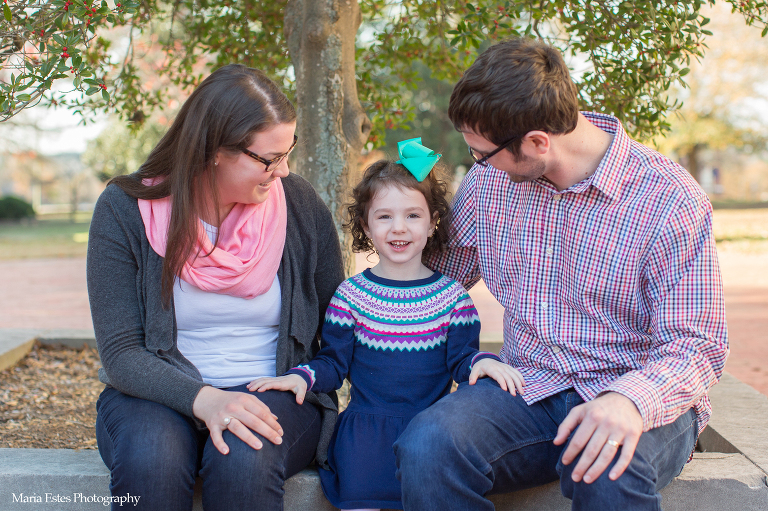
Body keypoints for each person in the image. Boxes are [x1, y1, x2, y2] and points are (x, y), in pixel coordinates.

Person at [393, 38, 728, 510]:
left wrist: (628, 402)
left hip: (635, 392)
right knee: (428, 445)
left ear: (536, 143)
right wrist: (398, 220)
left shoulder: (669, 199)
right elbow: (440, 280)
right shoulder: (490, 185)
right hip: (528, 386)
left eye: (481, 153)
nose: (476, 164)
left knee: (606, 468)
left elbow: (698, 345)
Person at [86, 64, 345, 511]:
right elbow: (123, 353)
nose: (282, 172)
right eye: (268, 159)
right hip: (156, 394)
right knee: (153, 460)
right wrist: (204, 400)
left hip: (273, 390)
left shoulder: (299, 206)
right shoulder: (125, 210)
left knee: (245, 456)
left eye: (287, 152)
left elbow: (339, 327)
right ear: (213, 151)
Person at [248, 140, 525, 511]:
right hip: (363, 442)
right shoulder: (350, 296)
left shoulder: (453, 298)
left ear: (432, 223)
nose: (399, 228)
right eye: (385, 216)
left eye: (413, 215)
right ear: (366, 224)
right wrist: (301, 377)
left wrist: (483, 363)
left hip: (429, 435)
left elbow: (462, 360)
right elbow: (333, 363)